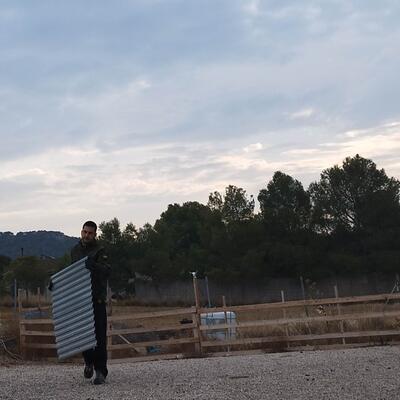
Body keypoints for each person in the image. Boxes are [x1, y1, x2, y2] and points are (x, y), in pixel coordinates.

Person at [70, 220, 111, 385]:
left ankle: (100, 371)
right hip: (81, 299)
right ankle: (88, 363)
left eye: (90, 233)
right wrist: (56, 283)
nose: (86, 235)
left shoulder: (100, 250)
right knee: (83, 334)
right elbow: (71, 273)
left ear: (95, 234)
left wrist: (93, 265)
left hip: (97, 298)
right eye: (85, 232)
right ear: (81, 232)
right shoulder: (75, 250)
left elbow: (107, 271)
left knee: (99, 337)